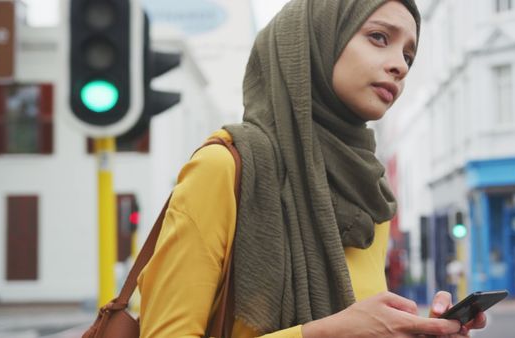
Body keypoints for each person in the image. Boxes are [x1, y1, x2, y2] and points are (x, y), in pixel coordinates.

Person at [137, 0, 487, 337]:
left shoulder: (371, 192)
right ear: (318, 38)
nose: (400, 65)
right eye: (379, 37)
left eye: (408, 55)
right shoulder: (224, 169)